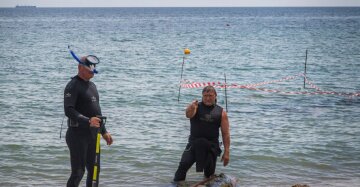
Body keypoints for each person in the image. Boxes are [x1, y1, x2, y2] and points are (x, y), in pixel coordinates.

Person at [64, 55, 113, 187]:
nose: (93, 70)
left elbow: (97, 113)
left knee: (94, 171)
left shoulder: (92, 86)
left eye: (94, 68)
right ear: (80, 67)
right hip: (77, 134)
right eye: (89, 68)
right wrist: (87, 121)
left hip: (93, 135)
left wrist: (104, 132)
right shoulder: (72, 85)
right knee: (78, 172)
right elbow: (68, 110)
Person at [174, 86, 230, 182]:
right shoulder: (196, 107)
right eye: (205, 96)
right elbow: (188, 115)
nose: (208, 98)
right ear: (202, 96)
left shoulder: (221, 113)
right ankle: (176, 184)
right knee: (183, 165)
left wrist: (227, 152)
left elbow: (226, 134)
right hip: (194, 144)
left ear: (215, 96)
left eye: (210, 95)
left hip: (211, 146)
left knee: (209, 174)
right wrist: (190, 107)